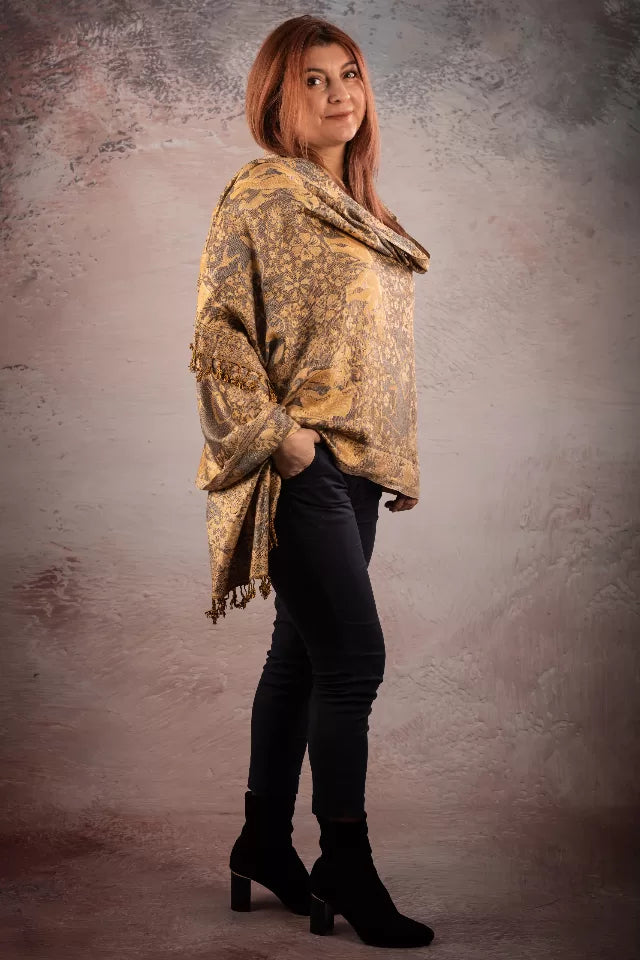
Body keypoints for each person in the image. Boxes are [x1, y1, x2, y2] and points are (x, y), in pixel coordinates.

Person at [189, 14, 434, 950]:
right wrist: (282, 441)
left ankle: (261, 841)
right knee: (353, 661)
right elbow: (217, 332)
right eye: (314, 80)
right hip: (301, 466)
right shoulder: (264, 193)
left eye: (350, 75)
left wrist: (395, 456)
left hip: (357, 467)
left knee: (299, 653)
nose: (339, 95)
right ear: (276, 97)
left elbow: (374, 352)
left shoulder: (361, 206)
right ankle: (345, 860)